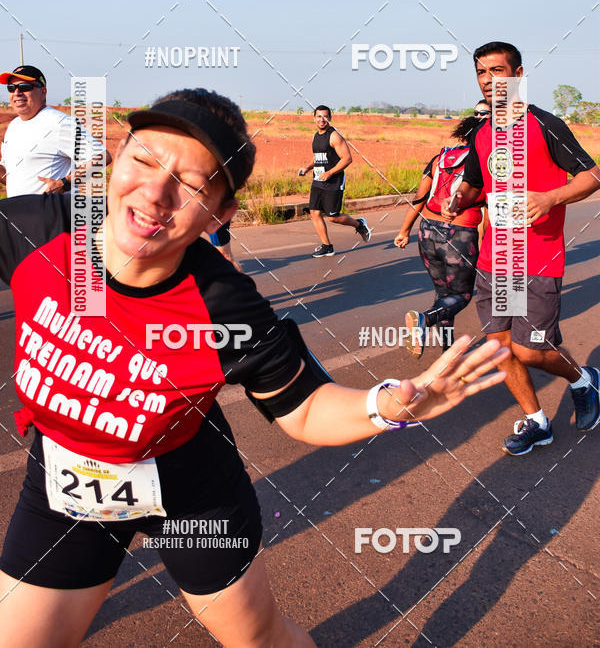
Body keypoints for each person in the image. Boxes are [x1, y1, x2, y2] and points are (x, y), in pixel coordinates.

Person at [0, 87, 510, 647]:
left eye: (190, 185)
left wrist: (385, 405)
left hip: (188, 494)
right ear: (116, 156)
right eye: (143, 159)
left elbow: (307, 405)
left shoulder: (221, 304)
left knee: (258, 639)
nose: (154, 194)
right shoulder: (40, 231)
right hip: (62, 479)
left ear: (221, 214)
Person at [443, 41, 600, 456]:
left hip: (538, 257)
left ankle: (584, 381)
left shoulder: (545, 125)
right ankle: (536, 421)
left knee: (530, 351)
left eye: (498, 71)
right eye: (482, 73)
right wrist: (460, 197)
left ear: (518, 75)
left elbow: (592, 176)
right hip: (495, 258)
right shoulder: (480, 133)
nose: (490, 81)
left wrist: (551, 198)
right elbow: (477, 185)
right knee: (498, 346)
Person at [395, 102, 490, 355]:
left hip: (426, 232)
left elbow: (419, 197)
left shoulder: (442, 156)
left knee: (443, 295)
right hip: (458, 235)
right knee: (461, 296)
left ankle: (447, 352)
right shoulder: (486, 161)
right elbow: (488, 214)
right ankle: (423, 319)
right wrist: (485, 248)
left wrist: (404, 230)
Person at [0, 65, 112, 197]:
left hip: (52, 213)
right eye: (11, 88)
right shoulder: (14, 126)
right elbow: (13, 177)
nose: (17, 93)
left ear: (43, 92)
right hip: (19, 213)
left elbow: (102, 156)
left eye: (25, 87)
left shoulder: (59, 122)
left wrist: (64, 183)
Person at [298, 105, 370, 257]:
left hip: (334, 181)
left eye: (325, 116)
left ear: (329, 118)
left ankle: (359, 224)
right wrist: (307, 168)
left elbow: (347, 158)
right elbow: (318, 157)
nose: (322, 119)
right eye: (319, 116)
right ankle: (327, 246)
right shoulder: (316, 136)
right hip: (318, 180)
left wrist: (330, 173)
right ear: (314, 118)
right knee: (315, 212)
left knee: (332, 217)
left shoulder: (334, 136)